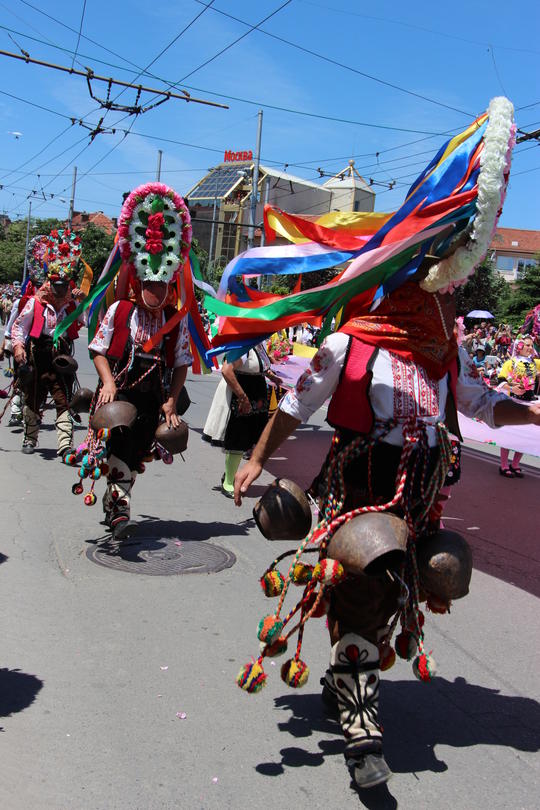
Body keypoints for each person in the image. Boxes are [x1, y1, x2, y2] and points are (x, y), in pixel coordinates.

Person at [87, 183, 193, 539]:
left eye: (161, 285)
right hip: (122, 390)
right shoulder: (120, 311)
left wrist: (171, 399)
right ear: (138, 278)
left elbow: (181, 363)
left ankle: (116, 499)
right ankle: (120, 510)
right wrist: (108, 382)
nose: (155, 290)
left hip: (152, 396)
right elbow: (98, 350)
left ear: (170, 285)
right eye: (149, 283)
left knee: (137, 454)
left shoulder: (173, 321)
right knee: (120, 444)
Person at [11, 229, 84, 456]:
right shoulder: (36, 302)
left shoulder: (70, 305)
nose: (60, 290)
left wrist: (82, 303)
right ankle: (30, 439)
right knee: (33, 398)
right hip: (38, 356)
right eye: (57, 286)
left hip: (61, 358)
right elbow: (19, 327)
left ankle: (64, 445)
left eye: (64, 286)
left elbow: (85, 322)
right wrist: (18, 347)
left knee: (63, 399)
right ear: (50, 284)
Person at [202, 343, 281, 496]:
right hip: (243, 394)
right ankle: (229, 482)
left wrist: (271, 376)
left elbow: (257, 366)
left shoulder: (257, 343)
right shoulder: (244, 345)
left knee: (247, 438)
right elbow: (227, 370)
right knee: (238, 438)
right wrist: (243, 398)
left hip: (254, 394)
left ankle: (229, 475)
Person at [497, 335, 540, 477]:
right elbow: (500, 381)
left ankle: (515, 464)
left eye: (531, 345)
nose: (530, 348)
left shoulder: (535, 363)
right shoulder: (512, 362)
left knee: (525, 435)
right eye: (527, 345)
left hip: (529, 403)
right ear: (519, 346)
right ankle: (503, 465)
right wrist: (513, 389)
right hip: (514, 402)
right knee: (510, 434)